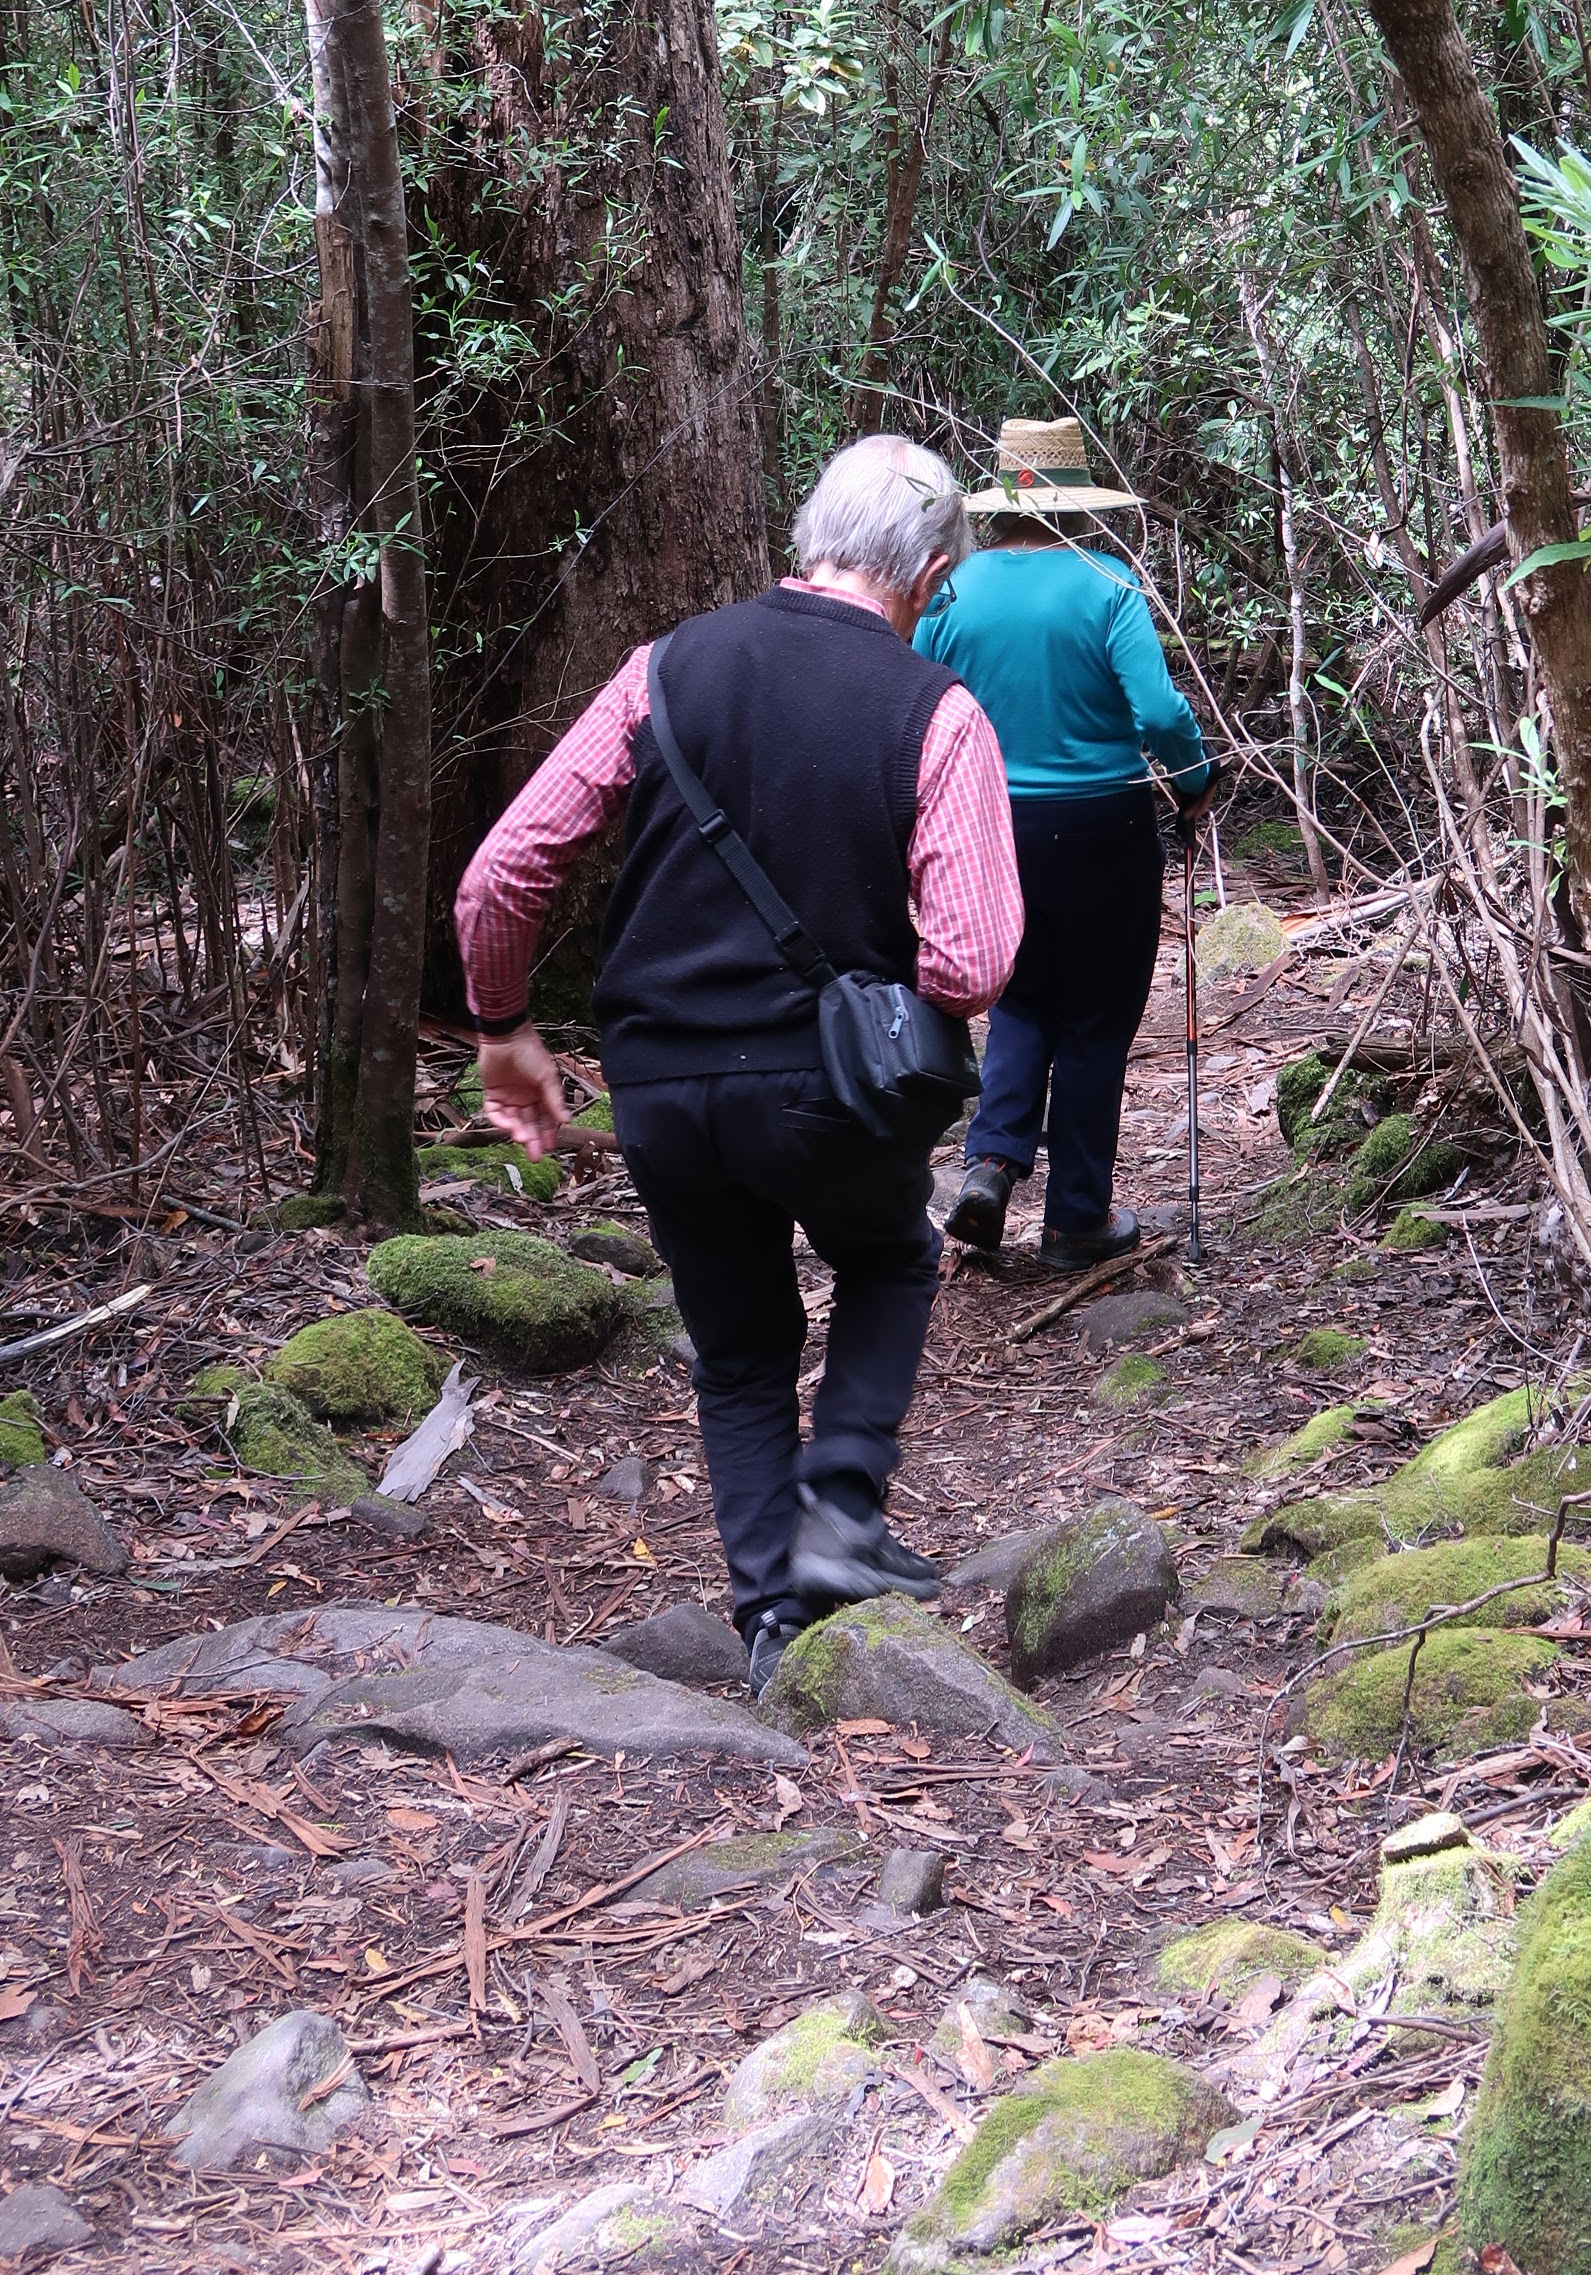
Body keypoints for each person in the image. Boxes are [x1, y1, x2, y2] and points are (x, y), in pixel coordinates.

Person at [453, 433, 1022, 1695]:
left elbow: (503, 873)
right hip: (827, 1090)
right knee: (892, 1254)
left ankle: (770, 1617)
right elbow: (970, 963)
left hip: (660, 1087)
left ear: (806, 538)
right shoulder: (936, 712)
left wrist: (505, 1029)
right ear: (930, 576)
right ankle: (840, 1509)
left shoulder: (661, 669)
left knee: (740, 1346)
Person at [913, 415, 1214, 1269]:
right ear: (1077, 503)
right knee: (1094, 1017)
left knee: (1018, 999)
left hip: (992, 823)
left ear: (1002, 504)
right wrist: (1194, 780)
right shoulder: (1108, 585)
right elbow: (1158, 712)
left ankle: (990, 1166)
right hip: (1104, 827)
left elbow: (918, 697)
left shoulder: (954, 592)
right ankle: (1076, 1217)